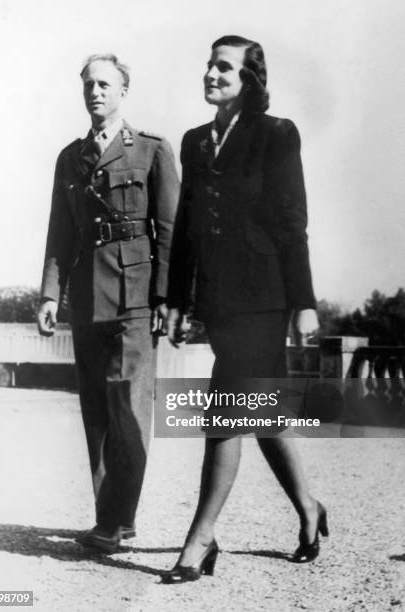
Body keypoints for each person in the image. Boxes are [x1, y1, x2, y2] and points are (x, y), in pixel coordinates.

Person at [164, 35, 327, 583]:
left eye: (224, 67)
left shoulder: (276, 134)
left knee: (225, 408)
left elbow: (291, 222)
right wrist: (178, 301)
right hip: (217, 298)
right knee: (263, 414)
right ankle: (308, 506)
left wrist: (304, 303)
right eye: (209, 64)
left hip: (265, 296)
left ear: (250, 77)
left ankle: (201, 538)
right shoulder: (194, 141)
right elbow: (186, 226)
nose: (212, 73)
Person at [37, 53, 179, 553]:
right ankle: (110, 519)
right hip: (87, 300)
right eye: (88, 84)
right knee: (96, 413)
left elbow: (169, 230)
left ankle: (119, 518)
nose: (95, 91)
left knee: (130, 410)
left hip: (135, 297)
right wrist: (51, 293)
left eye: (105, 84)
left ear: (123, 91)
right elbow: (60, 232)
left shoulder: (151, 151)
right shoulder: (69, 157)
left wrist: (166, 296)